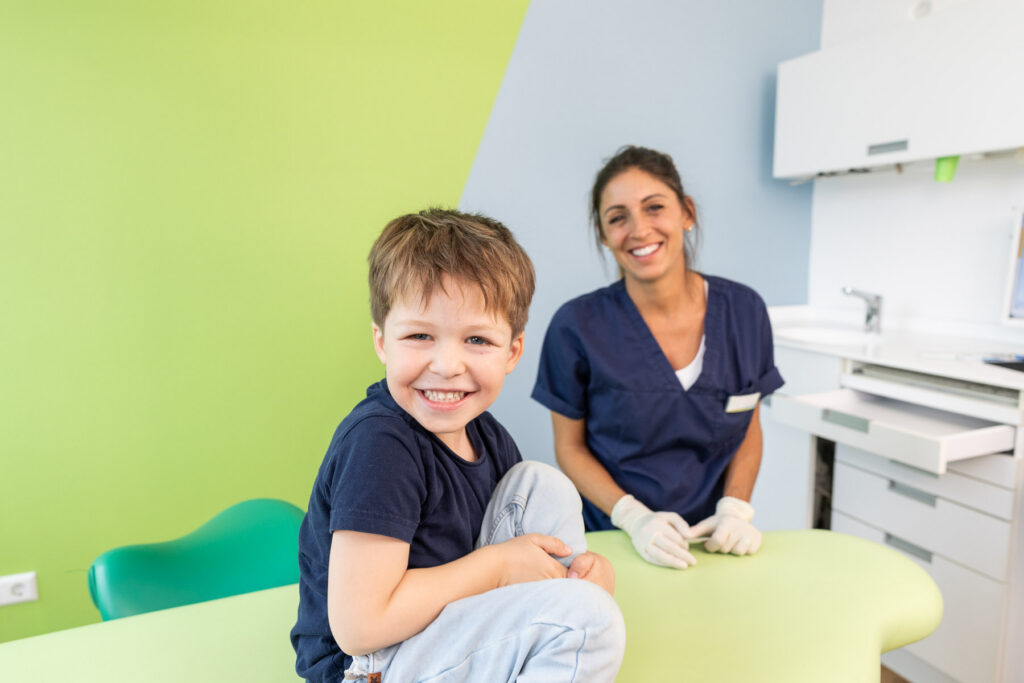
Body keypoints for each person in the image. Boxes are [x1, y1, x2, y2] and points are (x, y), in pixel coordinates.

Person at [291, 208, 625, 683]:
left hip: (439, 637)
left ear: (512, 351)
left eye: (476, 340)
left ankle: (571, 602)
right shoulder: (380, 444)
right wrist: (497, 568)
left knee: (541, 484)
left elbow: (513, 559)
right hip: (370, 666)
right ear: (382, 341)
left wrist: (581, 579)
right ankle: (572, 624)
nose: (447, 364)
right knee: (590, 622)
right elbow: (359, 626)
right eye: (420, 336)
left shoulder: (487, 434)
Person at [532, 146, 784, 571]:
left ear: (686, 213)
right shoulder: (576, 326)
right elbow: (569, 448)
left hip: (711, 544)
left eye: (654, 208)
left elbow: (748, 428)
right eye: (618, 217)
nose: (639, 229)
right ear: (603, 234)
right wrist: (633, 518)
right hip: (611, 542)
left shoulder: (744, 311)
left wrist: (735, 510)